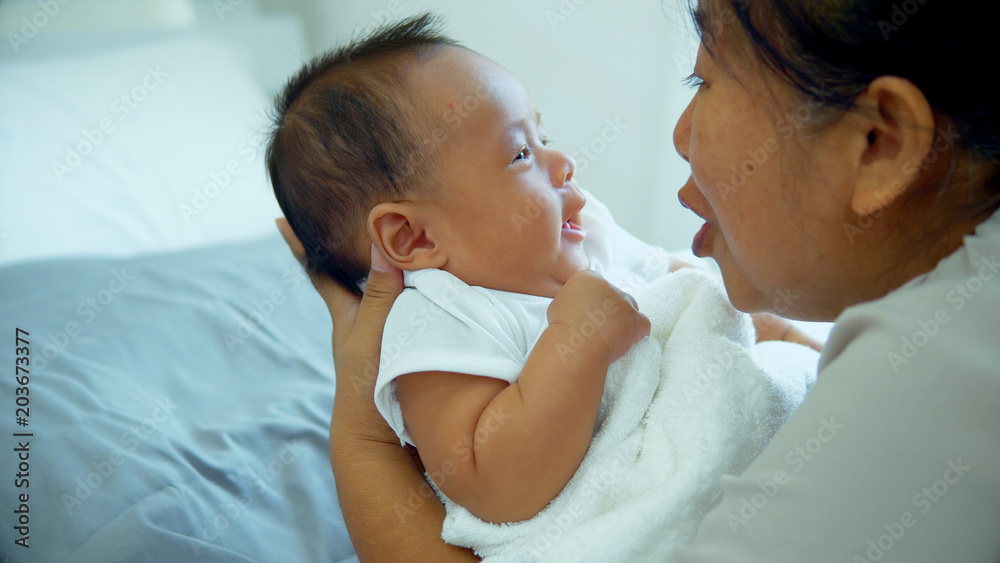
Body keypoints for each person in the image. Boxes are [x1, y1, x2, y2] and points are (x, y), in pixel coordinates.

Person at [277, 0, 1000, 561]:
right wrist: (577, 341)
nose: (563, 167)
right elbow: (488, 481)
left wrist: (362, 443)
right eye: (521, 152)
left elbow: (686, 295)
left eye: (706, 78)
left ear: (878, 143)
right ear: (413, 238)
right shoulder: (440, 318)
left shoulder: (940, 391)